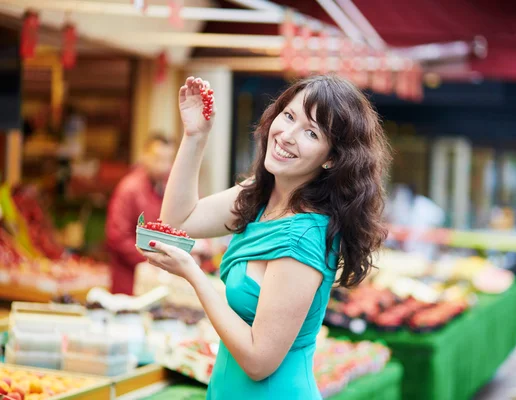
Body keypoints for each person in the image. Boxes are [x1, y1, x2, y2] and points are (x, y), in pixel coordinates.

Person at [138, 74, 391, 399]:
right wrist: (195, 136)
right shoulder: (261, 196)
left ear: (331, 158)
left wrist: (194, 275)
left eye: (310, 133)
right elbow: (178, 221)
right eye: (288, 116)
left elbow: (259, 361)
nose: (287, 135)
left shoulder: (302, 237)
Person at [106, 134, 182, 295]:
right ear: (144, 156)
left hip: (155, 281)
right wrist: (151, 259)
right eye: (158, 158)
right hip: (129, 282)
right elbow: (117, 236)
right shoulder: (129, 189)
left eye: (168, 160)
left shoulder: (168, 186)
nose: (163, 165)